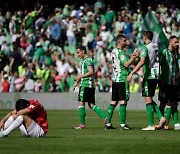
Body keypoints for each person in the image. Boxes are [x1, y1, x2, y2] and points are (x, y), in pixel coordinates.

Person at [127, 31, 166, 130]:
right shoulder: (156, 46)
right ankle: (161, 118)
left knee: (147, 98)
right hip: (157, 75)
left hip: (149, 76)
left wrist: (132, 72)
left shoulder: (146, 47)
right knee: (149, 98)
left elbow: (142, 61)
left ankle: (151, 125)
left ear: (144, 38)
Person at [105, 35, 139, 130]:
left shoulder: (113, 51)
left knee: (113, 102)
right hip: (122, 79)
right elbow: (126, 64)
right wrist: (134, 57)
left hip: (115, 79)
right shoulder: (121, 53)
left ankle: (108, 123)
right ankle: (122, 124)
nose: (126, 42)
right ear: (119, 42)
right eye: (124, 41)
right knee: (123, 101)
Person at [72, 45, 107, 129]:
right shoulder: (87, 60)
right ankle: (106, 118)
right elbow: (84, 73)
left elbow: (91, 72)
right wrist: (76, 83)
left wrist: (79, 77)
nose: (77, 55)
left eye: (78, 52)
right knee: (91, 105)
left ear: (83, 51)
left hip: (86, 85)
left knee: (81, 103)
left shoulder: (87, 60)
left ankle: (82, 125)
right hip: (90, 85)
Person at [158, 36, 180, 130]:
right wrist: (160, 79)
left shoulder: (175, 55)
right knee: (164, 103)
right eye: (175, 42)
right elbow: (159, 67)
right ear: (170, 42)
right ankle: (162, 122)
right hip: (165, 82)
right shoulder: (164, 53)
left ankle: (176, 124)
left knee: (174, 102)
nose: (177, 44)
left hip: (174, 83)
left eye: (177, 42)